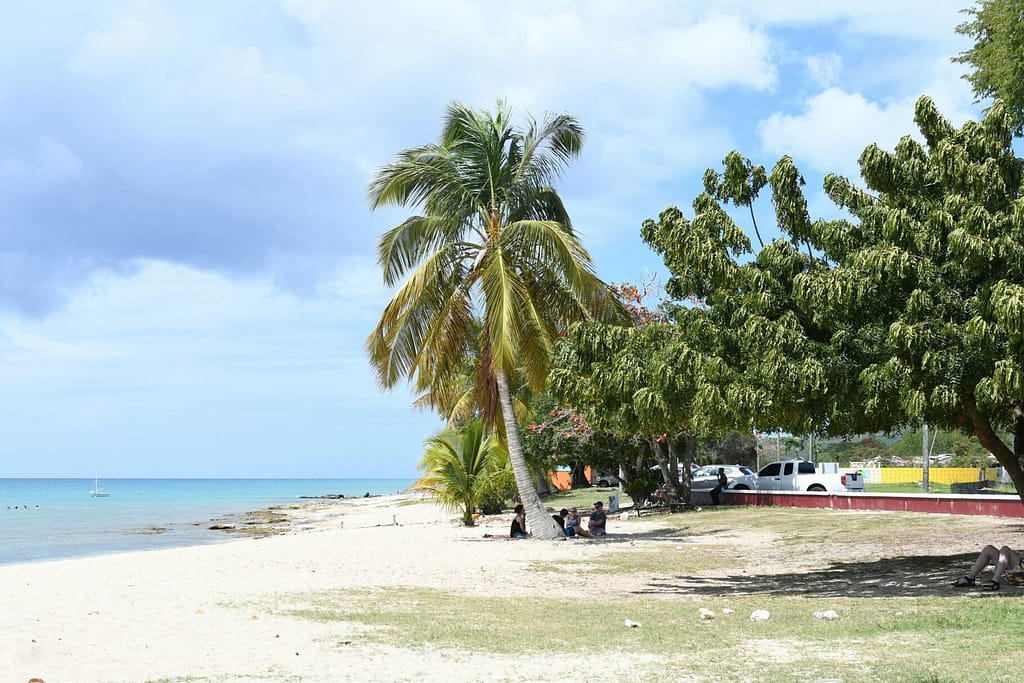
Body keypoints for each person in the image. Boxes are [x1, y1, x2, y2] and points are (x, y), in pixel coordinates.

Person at [952, 544, 1024, 590]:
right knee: (988, 549)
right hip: (1017, 571)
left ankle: (995, 581)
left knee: (1005, 549)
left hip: (1021, 574)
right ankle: (970, 578)